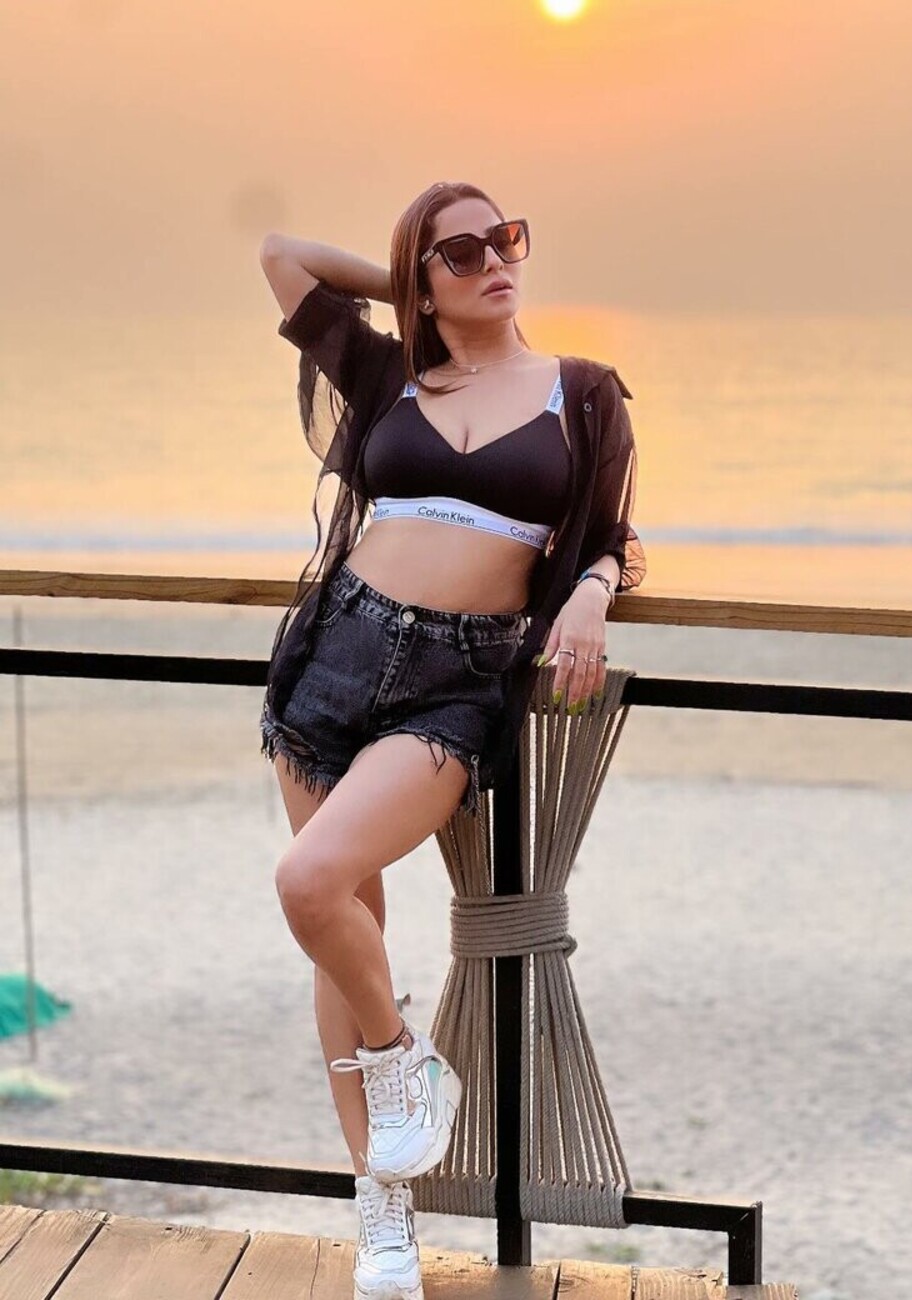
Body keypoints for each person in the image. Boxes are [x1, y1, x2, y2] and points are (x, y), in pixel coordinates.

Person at [257, 181, 646, 1300]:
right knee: (347, 928)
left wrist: (593, 591)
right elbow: (283, 254)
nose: (495, 261)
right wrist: (408, 293)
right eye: (461, 252)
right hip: (334, 658)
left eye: (505, 239)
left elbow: (611, 532)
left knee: (309, 881)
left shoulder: (582, 393)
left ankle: (400, 1061)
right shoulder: (391, 375)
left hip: (453, 684)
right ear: (422, 281)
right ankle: (383, 1207)